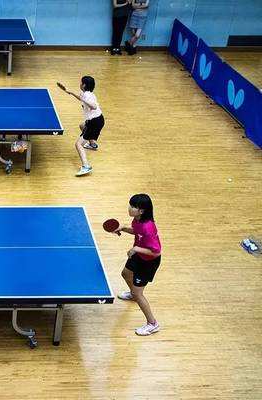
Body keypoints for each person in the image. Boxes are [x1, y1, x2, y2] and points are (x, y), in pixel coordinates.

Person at [112, 194, 162, 336]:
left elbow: (156, 252)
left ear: (141, 210)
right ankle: (134, 294)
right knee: (125, 273)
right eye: (130, 204)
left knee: (138, 293)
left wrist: (136, 249)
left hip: (149, 261)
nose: (129, 208)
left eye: (133, 206)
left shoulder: (148, 228)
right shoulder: (137, 220)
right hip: (139, 255)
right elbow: (136, 232)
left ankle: (153, 324)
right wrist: (123, 228)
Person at [56, 76, 105, 176]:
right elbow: (81, 98)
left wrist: (84, 99)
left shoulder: (87, 96)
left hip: (94, 122)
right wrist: (70, 92)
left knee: (78, 144)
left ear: (84, 85)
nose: (80, 84)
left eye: (81, 82)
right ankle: (92, 144)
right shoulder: (86, 93)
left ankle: (86, 166)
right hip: (99, 119)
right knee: (82, 126)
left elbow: (94, 106)